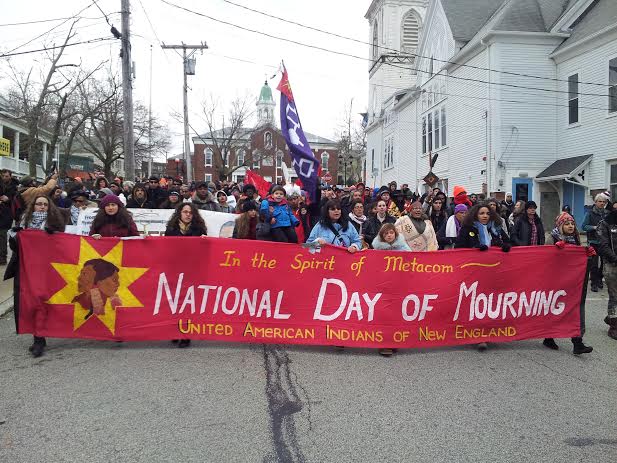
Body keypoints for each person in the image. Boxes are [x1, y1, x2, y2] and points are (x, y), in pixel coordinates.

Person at [5, 195, 66, 357]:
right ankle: (38, 337)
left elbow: (63, 244)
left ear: (49, 206)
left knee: (44, 301)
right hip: (26, 269)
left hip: (48, 269)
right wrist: (16, 235)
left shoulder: (55, 222)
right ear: (33, 206)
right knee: (31, 302)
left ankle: (41, 335)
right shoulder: (24, 221)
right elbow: (15, 247)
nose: (42, 207)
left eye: (45, 204)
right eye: (39, 204)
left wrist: (54, 235)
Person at [455, 202, 511, 351]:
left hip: (493, 272)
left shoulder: (497, 229)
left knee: (489, 303)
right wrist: (474, 250)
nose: (485, 216)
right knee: (476, 304)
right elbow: (458, 248)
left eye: (487, 213)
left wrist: (505, 247)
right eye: (481, 213)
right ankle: (478, 335)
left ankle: (488, 331)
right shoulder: (468, 228)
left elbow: (508, 242)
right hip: (474, 273)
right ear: (475, 215)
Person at [543, 212, 594, 354]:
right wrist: (555, 251)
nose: (570, 226)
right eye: (567, 223)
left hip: (573, 281)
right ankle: (549, 336)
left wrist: (587, 254)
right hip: (556, 280)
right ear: (560, 225)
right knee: (555, 307)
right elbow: (544, 259)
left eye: (572, 223)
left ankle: (577, 341)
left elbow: (579, 259)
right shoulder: (552, 237)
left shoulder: (576, 237)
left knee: (577, 308)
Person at [596, 206, 617, 340]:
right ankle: (614, 327)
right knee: (614, 296)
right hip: (611, 264)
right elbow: (603, 245)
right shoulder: (605, 223)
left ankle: (611, 317)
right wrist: (615, 258)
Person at [582, 193, 609, 292]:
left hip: (604, 242)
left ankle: (599, 280)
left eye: (603, 202)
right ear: (595, 202)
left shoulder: (607, 213)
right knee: (593, 264)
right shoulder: (590, 213)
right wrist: (594, 227)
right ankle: (593, 283)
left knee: (604, 263)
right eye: (600, 201)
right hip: (593, 241)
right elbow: (584, 226)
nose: (602, 203)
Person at [0, 169, 19, 265]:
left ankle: (2, 257)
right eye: (3, 176)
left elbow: (16, 200)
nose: (4, 178)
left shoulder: (15, 187)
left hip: (6, 214)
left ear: (10, 176)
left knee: (2, 235)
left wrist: (8, 199)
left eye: (6, 176)